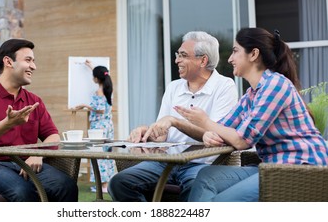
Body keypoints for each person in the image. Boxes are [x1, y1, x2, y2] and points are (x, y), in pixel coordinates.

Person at [174, 28, 328, 202]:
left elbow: (242, 140)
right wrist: (211, 133)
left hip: (301, 168)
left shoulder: (275, 85)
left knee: (221, 202)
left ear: (253, 54)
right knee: (205, 177)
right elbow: (223, 127)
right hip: (270, 167)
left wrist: (206, 123)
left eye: (235, 51)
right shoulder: (251, 95)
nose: (230, 58)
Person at [108, 31, 238, 202]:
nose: (177, 60)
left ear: (203, 60)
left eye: (183, 55)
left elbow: (218, 136)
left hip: (203, 164)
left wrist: (176, 122)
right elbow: (163, 134)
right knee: (119, 182)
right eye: (178, 55)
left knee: (195, 189)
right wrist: (147, 131)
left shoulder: (225, 86)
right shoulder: (173, 87)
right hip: (166, 161)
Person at [0, 39, 78, 202]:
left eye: (33, 61)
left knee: (66, 186)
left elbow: (53, 135)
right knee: (21, 191)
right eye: (28, 60)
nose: (34, 66)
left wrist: (38, 154)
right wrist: (7, 124)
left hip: (26, 164)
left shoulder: (34, 101)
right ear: (8, 61)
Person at [73, 60, 116, 193]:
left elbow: (101, 109)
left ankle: (102, 185)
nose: (92, 78)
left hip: (99, 127)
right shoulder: (108, 87)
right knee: (106, 153)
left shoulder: (100, 91)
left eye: (93, 76)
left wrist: (84, 105)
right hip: (108, 126)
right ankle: (106, 183)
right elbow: (101, 74)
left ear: (97, 79)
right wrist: (91, 66)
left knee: (98, 154)